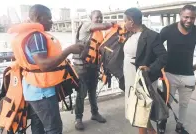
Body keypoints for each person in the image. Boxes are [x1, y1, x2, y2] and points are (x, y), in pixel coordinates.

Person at [7, 4, 83, 134]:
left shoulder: (23, 34)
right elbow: (43, 65)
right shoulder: (37, 36)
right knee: (54, 128)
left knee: (38, 126)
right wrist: (69, 50)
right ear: (38, 17)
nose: (52, 21)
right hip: (42, 92)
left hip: (31, 88)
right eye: (49, 18)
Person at [159, 5, 196, 134]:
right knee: (166, 102)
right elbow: (156, 45)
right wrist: (160, 64)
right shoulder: (167, 30)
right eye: (186, 17)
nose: (189, 20)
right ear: (180, 15)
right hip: (170, 73)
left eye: (192, 17)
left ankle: (180, 126)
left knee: (184, 104)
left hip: (188, 74)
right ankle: (162, 122)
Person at [123, 8, 167, 134]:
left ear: (131, 21)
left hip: (141, 78)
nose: (123, 23)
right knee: (136, 107)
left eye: (125, 20)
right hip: (130, 77)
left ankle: (148, 132)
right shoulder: (131, 34)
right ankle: (151, 131)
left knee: (140, 107)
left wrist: (150, 68)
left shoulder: (151, 36)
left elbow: (163, 56)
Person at [73, 10, 115, 130]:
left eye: (101, 17)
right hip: (82, 67)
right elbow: (104, 26)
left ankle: (95, 113)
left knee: (92, 92)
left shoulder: (99, 33)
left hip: (93, 66)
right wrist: (112, 23)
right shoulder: (87, 25)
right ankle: (78, 118)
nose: (100, 19)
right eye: (97, 17)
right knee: (81, 94)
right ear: (91, 18)